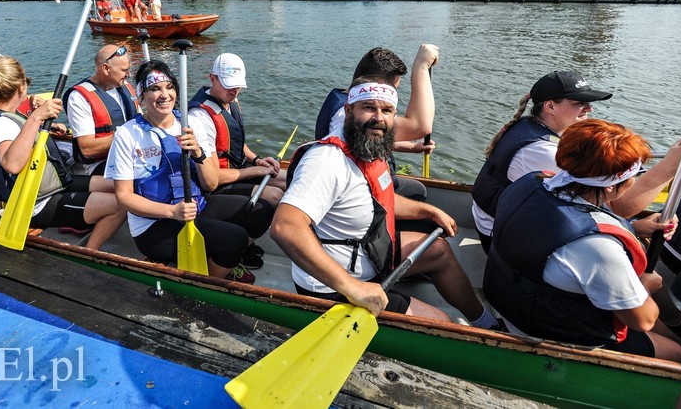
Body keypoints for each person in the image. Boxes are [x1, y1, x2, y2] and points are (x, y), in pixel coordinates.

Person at [272, 76, 500, 328]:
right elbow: (286, 227)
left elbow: (378, 201)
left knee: (438, 250)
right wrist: (352, 287)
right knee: (440, 322)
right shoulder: (326, 161)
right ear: (349, 111)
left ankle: (488, 324)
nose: (378, 118)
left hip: (370, 253)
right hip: (334, 285)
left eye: (387, 110)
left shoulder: (368, 148)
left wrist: (427, 210)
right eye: (368, 107)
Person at [484, 119, 681, 363]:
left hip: (509, 299)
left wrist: (632, 227)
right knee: (677, 353)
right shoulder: (599, 248)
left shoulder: (531, 182)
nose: (634, 181)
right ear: (611, 187)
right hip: (543, 330)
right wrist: (646, 287)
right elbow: (644, 320)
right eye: (634, 175)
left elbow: (554, 229)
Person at [105, 60, 271, 283]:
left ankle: (215, 260)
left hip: (195, 207)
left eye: (169, 87)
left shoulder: (190, 122)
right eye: (154, 89)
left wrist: (198, 154)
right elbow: (123, 197)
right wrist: (172, 212)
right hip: (154, 224)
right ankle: (205, 283)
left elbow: (210, 184)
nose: (164, 95)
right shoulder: (127, 134)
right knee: (235, 238)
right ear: (142, 95)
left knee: (261, 209)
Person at [0, 56, 126, 250]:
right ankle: (89, 252)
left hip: (51, 184)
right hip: (35, 203)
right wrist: (35, 118)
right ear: (22, 86)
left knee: (121, 186)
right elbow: (12, 164)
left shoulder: (3, 113)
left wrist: (38, 123)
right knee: (121, 204)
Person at [472, 71, 613, 254]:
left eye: (588, 103)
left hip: (493, 222)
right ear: (550, 106)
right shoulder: (543, 151)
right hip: (497, 239)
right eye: (580, 103)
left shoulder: (530, 126)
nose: (589, 108)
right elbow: (603, 200)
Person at [188, 53, 281, 268]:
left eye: (238, 86)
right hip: (215, 185)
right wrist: (256, 172)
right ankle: (239, 248)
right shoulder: (199, 117)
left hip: (235, 171)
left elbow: (235, 142)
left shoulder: (231, 100)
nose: (234, 91)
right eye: (229, 85)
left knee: (287, 180)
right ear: (212, 79)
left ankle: (244, 243)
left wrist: (256, 160)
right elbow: (211, 179)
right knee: (275, 196)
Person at [315, 45, 438, 207]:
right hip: (362, 192)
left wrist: (412, 147)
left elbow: (367, 139)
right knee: (418, 194)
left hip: (371, 176)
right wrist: (421, 66)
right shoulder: (343, 116)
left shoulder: (344, 99)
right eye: (391, 89)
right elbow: (420, 126)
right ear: (374, 85)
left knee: (418, 189)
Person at [63, 45, 139, 175]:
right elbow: (87, 149)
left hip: (133, 153)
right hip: (102, 163)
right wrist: (130, 136)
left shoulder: (125, 86)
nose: (129, 74)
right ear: (106, 68)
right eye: (124, 70)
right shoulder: (79, 97)